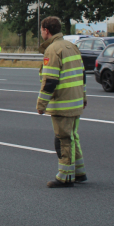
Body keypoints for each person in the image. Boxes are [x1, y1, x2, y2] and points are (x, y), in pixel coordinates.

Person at [37, 16, 87, 188]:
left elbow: (50, 81)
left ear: (46, 30)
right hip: (76, 100)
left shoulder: (52, 50)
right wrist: (84, 97)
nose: (41, 33)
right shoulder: (72, 47)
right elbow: (82, 75)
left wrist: (41, 104)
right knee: (73, 137)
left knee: (63, 139)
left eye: (41, 30)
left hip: (62, 103)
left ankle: (65, 176)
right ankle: (79, 172)